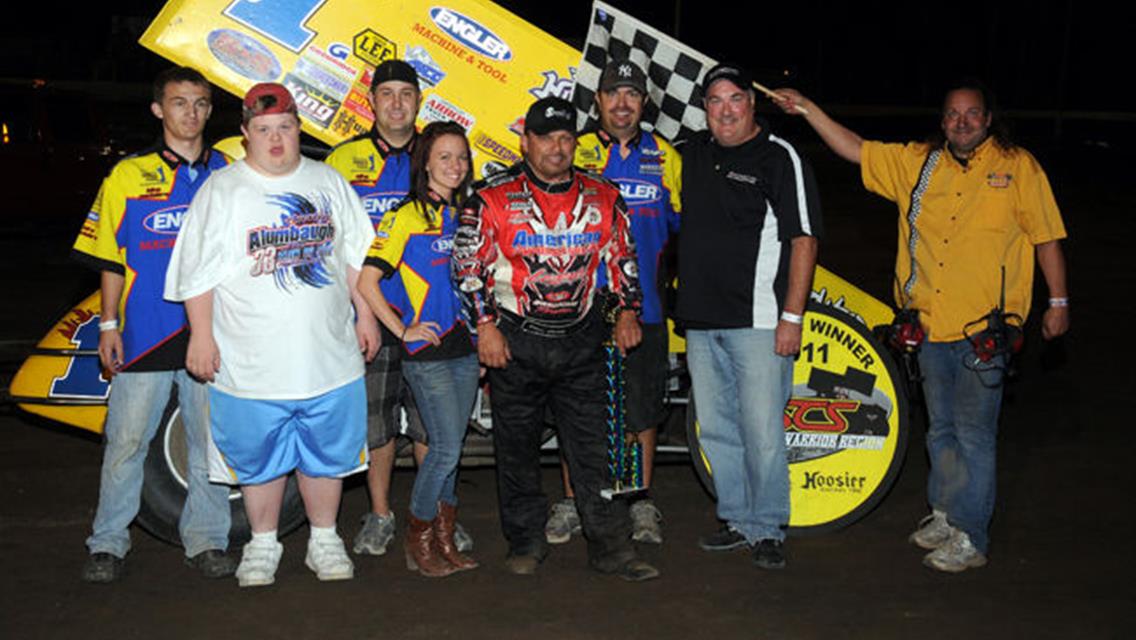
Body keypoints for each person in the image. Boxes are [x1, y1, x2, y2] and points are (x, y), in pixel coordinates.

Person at [774, 79, 1069, 572]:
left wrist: (1058, 302)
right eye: (953, 114)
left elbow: (1047, 238)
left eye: (972, 113)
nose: (962, 122)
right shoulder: (919, 162)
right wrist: (808, 109)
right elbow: (856, 149)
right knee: (941, 431)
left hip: (984, 330)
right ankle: (946, 514)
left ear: (988, 119)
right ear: (942, 120)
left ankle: (971, 536)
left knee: (975, 434)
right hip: (930, 326)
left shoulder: (1018, 167)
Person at [165, 83, 378, 587]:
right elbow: (197, 272)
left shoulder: (328, 181)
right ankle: (263, 543)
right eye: (263, 130)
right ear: (245, 135)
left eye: (285, 128)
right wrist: (200, 336)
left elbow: (356, 258)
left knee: (327, 452)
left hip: (328, 357)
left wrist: (366, 314)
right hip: (249, 362)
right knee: (258, 456)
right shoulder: (222, 190)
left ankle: (324, 538)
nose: (276, 139)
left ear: (299, 130)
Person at [453, 97, 658, 582]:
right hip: (515, 340)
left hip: (582, 339)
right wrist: (484, 326)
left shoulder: (605, 195)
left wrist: (629, 310)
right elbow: (467, 269)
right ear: (526, 142)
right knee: (517, 448)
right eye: (546, 138)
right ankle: (525, 541)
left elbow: (623, 258)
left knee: (596, 449)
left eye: (566, 138)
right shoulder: (490, 196)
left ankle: (611, 546)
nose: (557, 148)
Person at [73, 66, 235, 584]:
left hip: (212, 333)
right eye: (180, 102)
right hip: (144, 332)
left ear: (211, 110)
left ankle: (207, 540)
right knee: (125, 441)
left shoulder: (230, 174)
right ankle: (108, 543)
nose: (192, 113)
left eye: (201, 103)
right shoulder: (127, 173)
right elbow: (110, 258)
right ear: (158, 109)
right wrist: (108, 324)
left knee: (209, 443)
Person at [676, 63, 822, 570]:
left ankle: (768, 529)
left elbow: (803, 238)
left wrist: (792, 317)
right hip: (699, 318)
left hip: (760, 321)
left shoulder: (780, 157)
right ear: (705, 109)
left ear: (751, 103)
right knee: (715, 428)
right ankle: (736, 519)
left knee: (762, 430)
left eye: (735, 98)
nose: (725, 110)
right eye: (714, 101)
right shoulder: (691, 153)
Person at [325, 59, 472, 556]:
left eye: (405, 94)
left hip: (430, 320)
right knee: (378, 423)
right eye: (386, 93)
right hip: (371, 317)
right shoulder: (343, 160)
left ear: (418, 101)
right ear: (371, 101)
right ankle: (382, 514)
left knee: (433, 425)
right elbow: (333, 243)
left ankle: (434, 515)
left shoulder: (434, 157)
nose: (395, 103)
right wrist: (362, 312)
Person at [547, 59, 681, 546]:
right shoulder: (573, 149)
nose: (622, 103)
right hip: (575, 308)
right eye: (613, 93)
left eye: (632, 94)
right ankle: (570, 500)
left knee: (640, 409)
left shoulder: (666, 156)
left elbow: (685, 230)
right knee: (573, 408)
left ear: (644, 103)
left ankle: (637, 500)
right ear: (598, 100)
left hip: (643, 307)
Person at [357, 121, 480, 577]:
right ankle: (418, 535)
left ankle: (444, 538)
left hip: (465, 346)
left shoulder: (467, 213)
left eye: (462, 157)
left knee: (453, 445)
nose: (455, 165)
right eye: (445, 156)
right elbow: (368, 282)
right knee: (445, 448)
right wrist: (401, 328)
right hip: (425, 352)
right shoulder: (404, 216)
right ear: (425, 161)